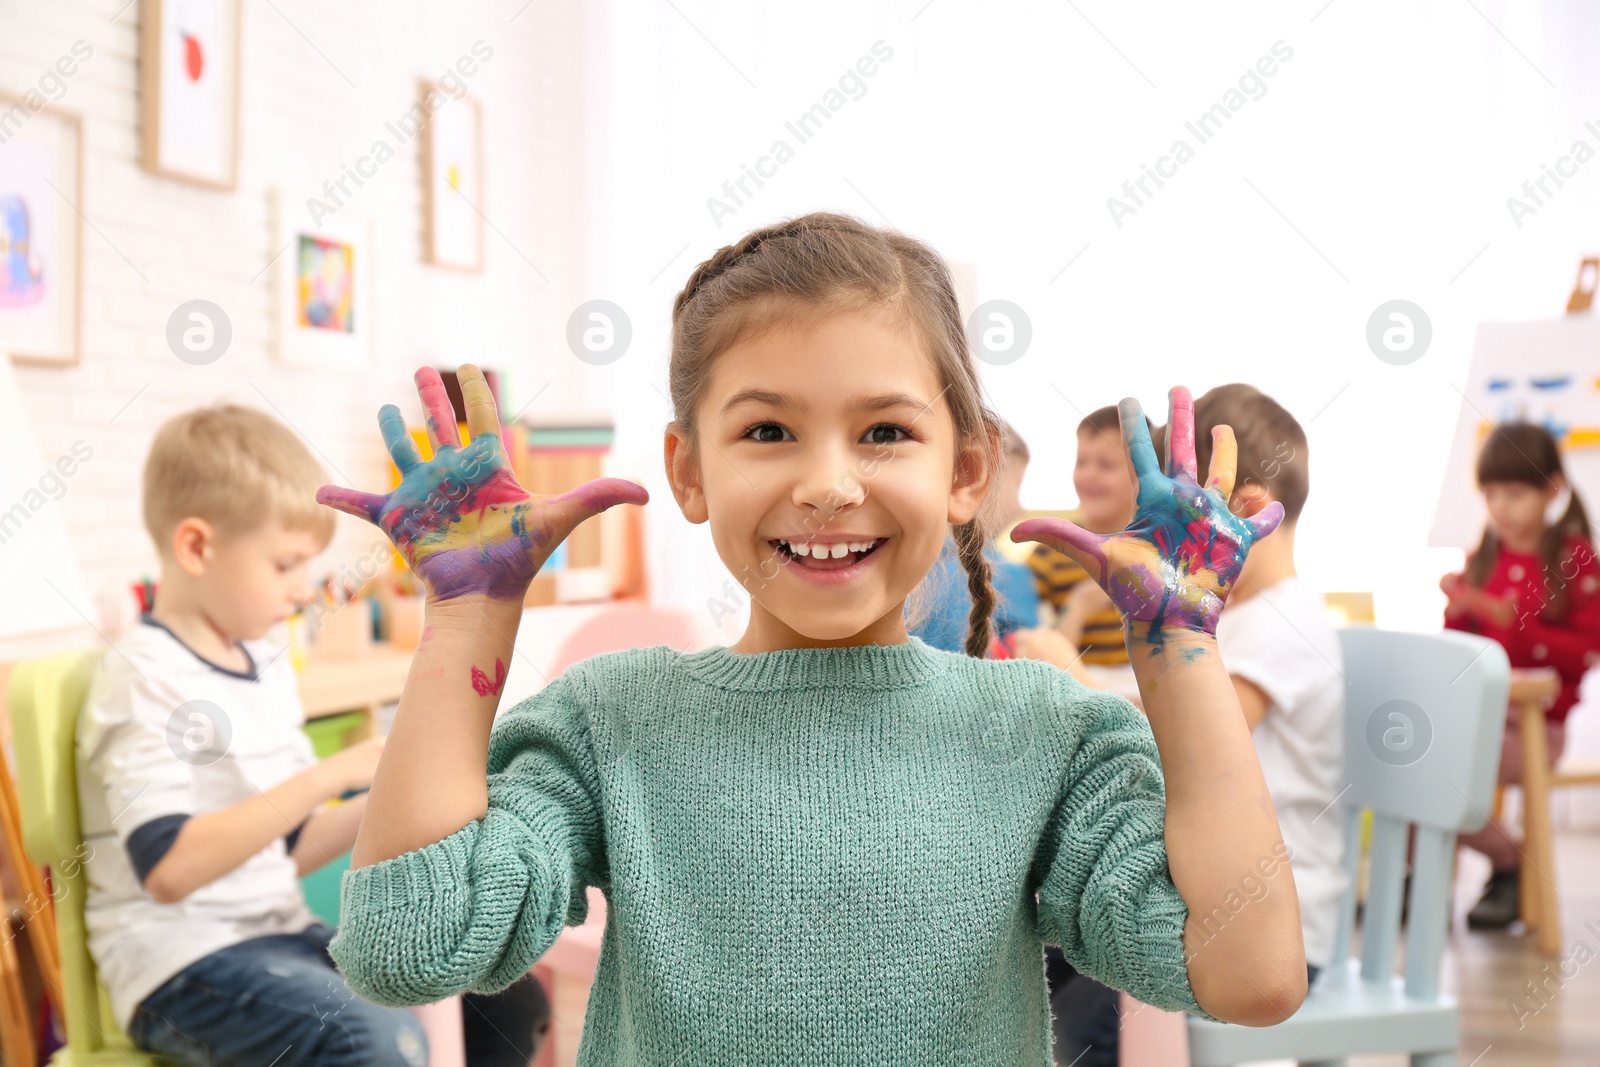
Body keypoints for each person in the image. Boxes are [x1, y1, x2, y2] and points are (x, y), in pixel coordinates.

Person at [318, 212, 1308, 1065]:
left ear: (964, 470)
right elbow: (409, 945)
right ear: (688, 468)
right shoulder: (608, 719)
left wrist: (1181, 646)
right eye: (767, 431)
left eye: (883, 431)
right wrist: (466, 618)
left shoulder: (1044, 732)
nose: (828, 482)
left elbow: (1250, 971)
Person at [77, 405, 549, 1067]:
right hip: (178, 967)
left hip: (280, 938)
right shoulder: (142, 675)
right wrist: (329, 774)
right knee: (372, 1038)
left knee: (499, 1000)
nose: (304, 591)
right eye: (284, 565)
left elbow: (288, 847)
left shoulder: (261, 664)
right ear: (196, 547)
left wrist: (401, 793)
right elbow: (170, 869)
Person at [1041, 384, 1345, 1066]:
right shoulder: (1233, 617)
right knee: (1040, 953)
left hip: (1265, 920)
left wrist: (1073, 672)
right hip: (1186, 886)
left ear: (1243, 507)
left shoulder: (1288, 622)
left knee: (1080, 1022)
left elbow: (1193, 729)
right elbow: (1142, 692)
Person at [1441, 421, 1600, 928]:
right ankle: (1485, 869)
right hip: (1474, 723)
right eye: (1490, 494)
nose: (1500, 507)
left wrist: (1520, 628)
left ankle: (1511, 865)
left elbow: (1587, 650)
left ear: (1552, 488)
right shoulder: (1483, 557)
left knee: (1441, 783)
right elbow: (1453, 645)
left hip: (1537, 729)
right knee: (1414, 766)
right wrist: (1461, 606)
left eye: (1514, 493)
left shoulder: (1574, 559)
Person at [1011, 404, 1152, 693]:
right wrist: (1080, 604)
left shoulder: (1157, 550)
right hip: (1080, 690)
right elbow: (1041, 651)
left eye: (1106, 465)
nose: (1089, 475)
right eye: (1081, 462)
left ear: (1142, 477)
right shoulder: (1051, 551)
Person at [908, 417, 1041, 654]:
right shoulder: (1008, 574)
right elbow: (1036, 659)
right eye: (1018, 486)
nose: (1021, 508)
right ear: (975, 474)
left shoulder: (898, 563)